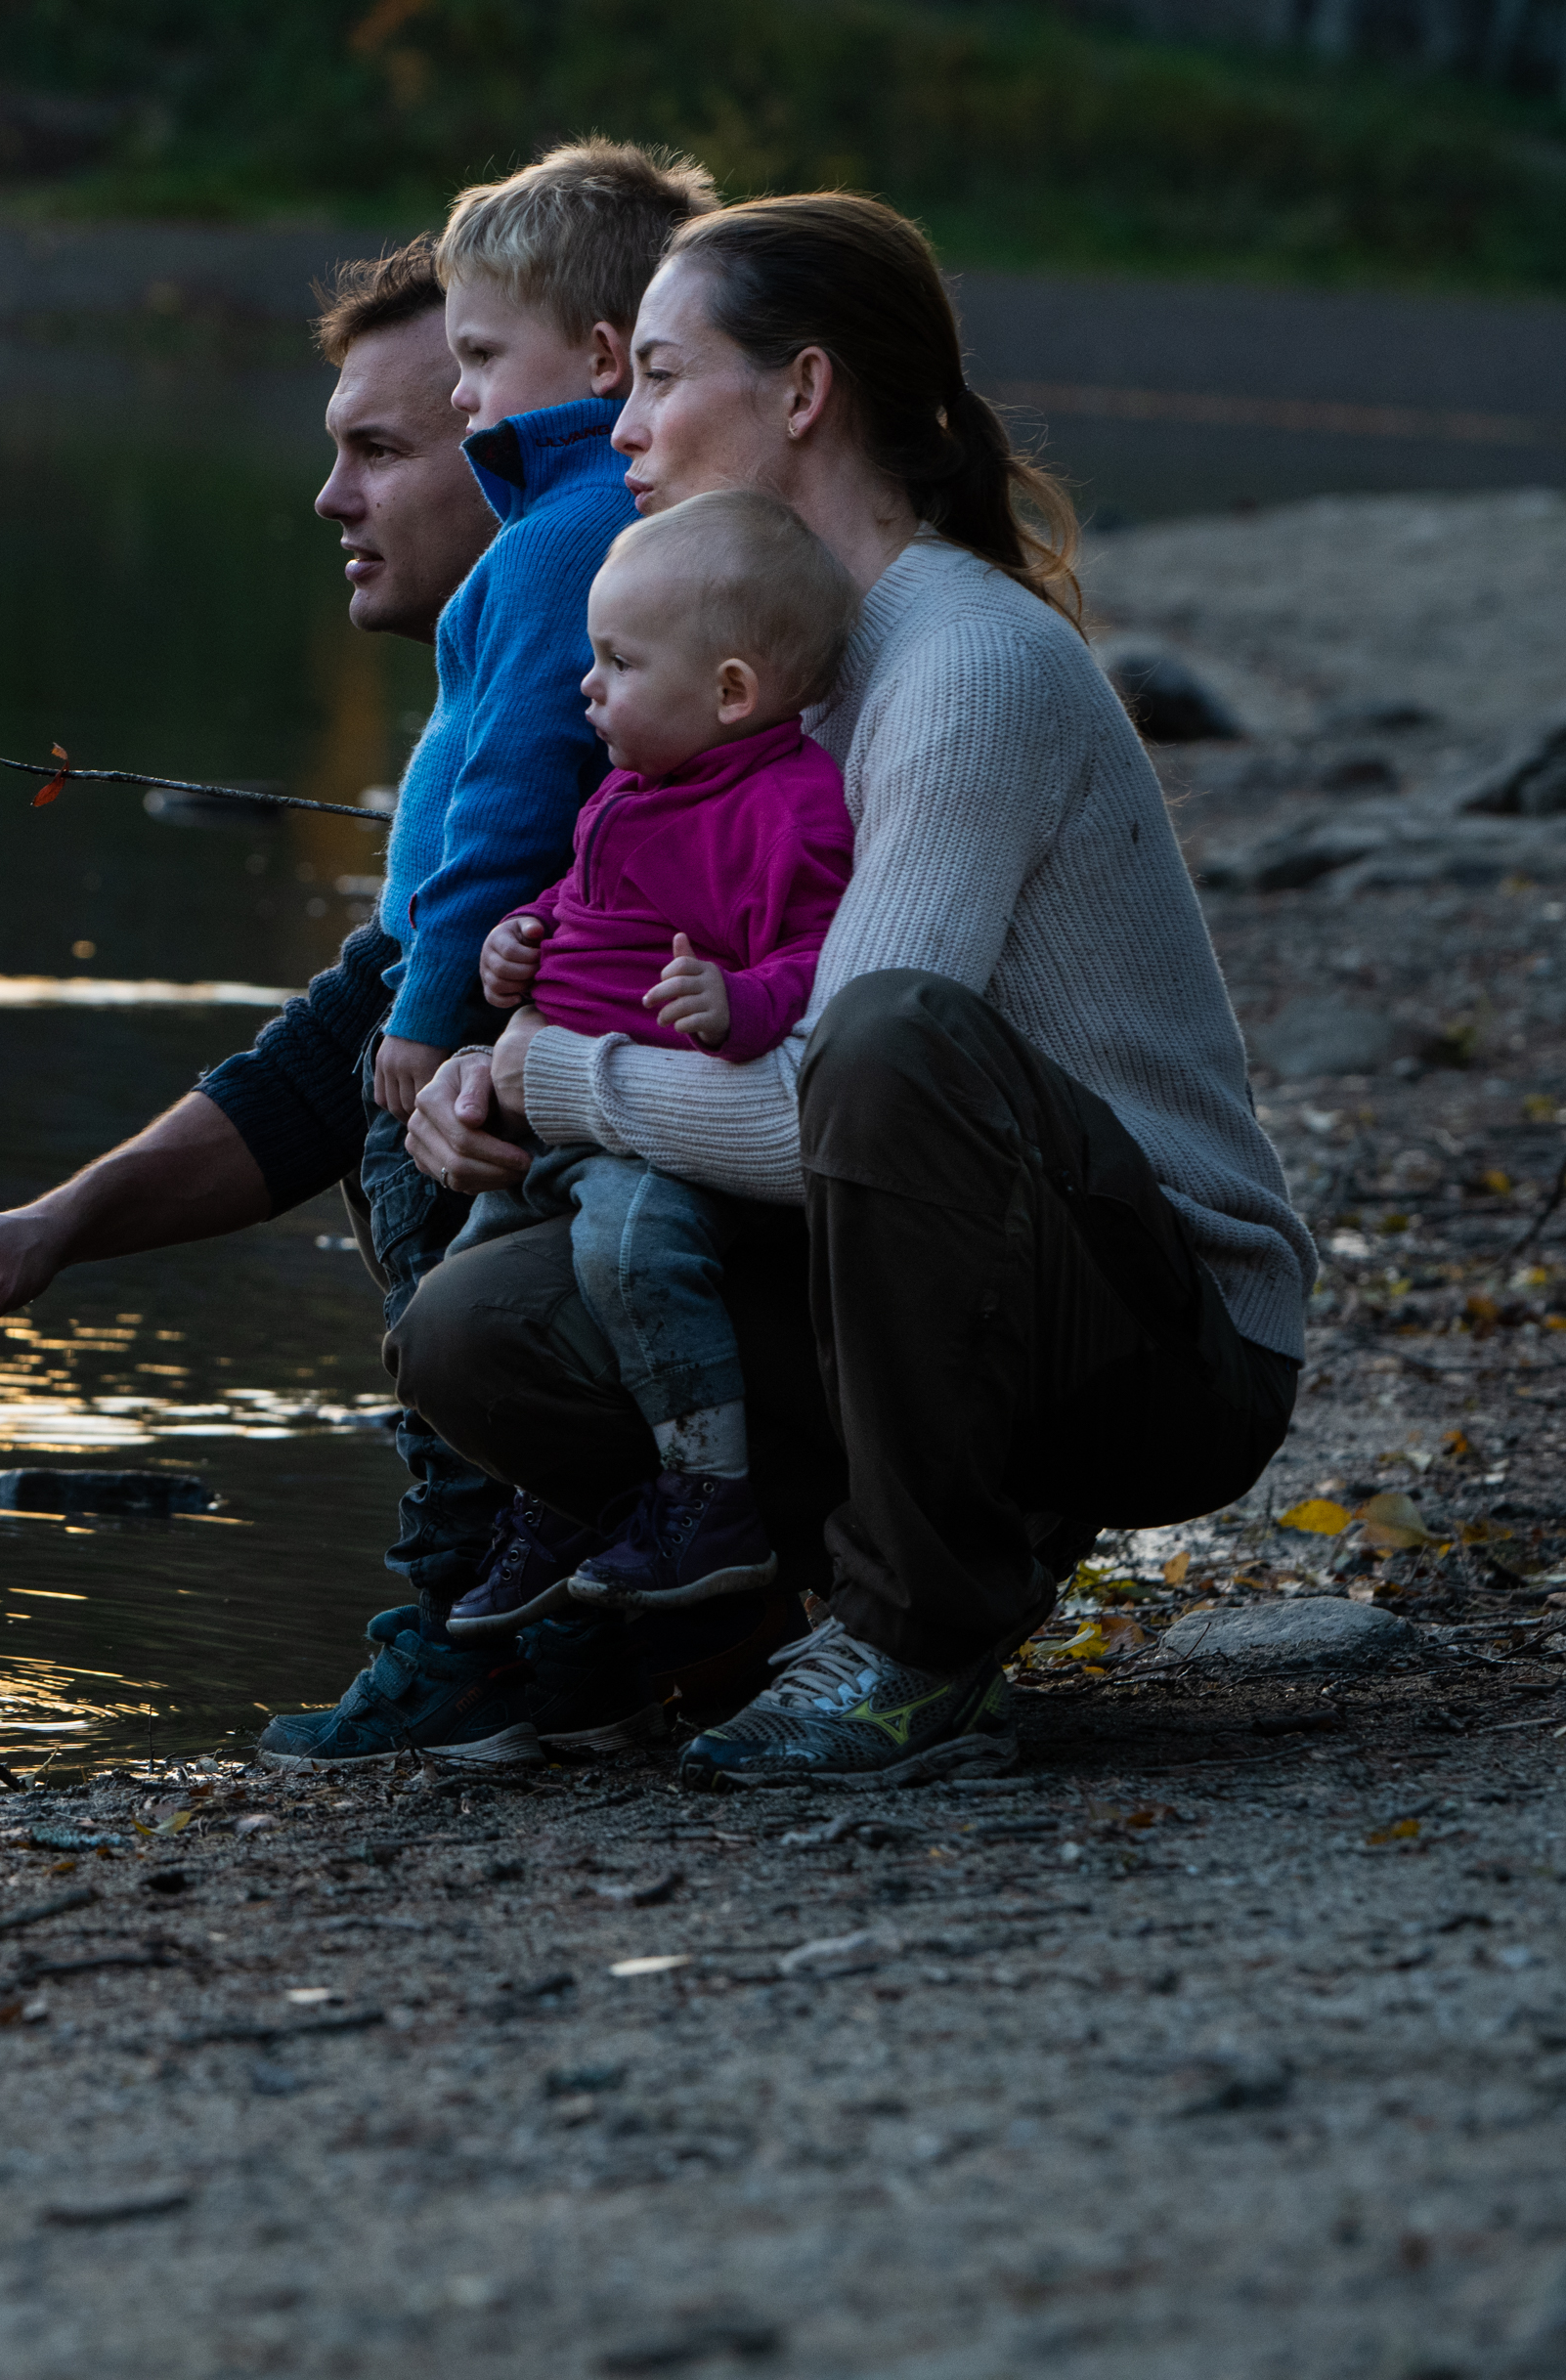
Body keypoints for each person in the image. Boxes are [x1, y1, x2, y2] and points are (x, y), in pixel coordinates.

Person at [393, 192, 1317, 1790]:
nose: (618, 423)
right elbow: (699, 1010)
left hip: (1163, 1330)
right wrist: (499, 1060)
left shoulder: (961, 664)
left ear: (802, 393)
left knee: (879, 1041)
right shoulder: (773, 684)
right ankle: (744, 1610)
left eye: (662, 374)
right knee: (476, 1327)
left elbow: (827, 1089)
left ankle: (911, 1639)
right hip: (943, 1273)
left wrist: (552, 1075)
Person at [0, 140, 733, 1772]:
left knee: (438, 1182)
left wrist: (453, 1040)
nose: (329, 499)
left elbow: (411, 1024)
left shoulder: (608, 641)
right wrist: (54, 1225)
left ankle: (563, 1634)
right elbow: (332, 1043)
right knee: (396, 1101)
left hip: (727, 1270)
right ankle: (542, 1624)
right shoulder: (580, 663)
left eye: (382, 445)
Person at [438, 490, 856, 1636]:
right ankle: (568, 1500)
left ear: (731, 690)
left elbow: (823, 959)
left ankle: (708, 1491)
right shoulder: (628, 791)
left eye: (619, 662)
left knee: (632, 1256)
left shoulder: (791, 810)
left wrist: (740, 997)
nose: (588, 687)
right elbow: (580, 903)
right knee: (463, 1292)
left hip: (655, 1125)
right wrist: (516, 936)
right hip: (553, 1118)